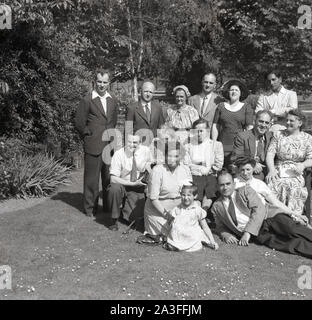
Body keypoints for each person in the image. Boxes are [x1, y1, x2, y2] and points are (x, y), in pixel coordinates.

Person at [213, 172, 312, 259]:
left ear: (234, 184)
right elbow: (219, 225)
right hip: (259, 234)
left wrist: (248, 232)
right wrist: (224, 234)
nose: (225, 187)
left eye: (228, 184)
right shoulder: (216, 206)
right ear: (217, 186)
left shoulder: (245, 190)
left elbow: (259, 210)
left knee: (293, 230)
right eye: (222, 185)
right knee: (289, 244)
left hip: (270, 218)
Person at [75, 69, 118, 217]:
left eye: (105, 82)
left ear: (109, 83)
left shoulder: (112, 99)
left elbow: (113, 120)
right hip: (93, 145)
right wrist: (89, 135)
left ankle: (107, 208)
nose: (102, 85)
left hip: (109, 146)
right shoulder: (87, 100)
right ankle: (90, 209)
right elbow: (79, 123)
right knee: (91, 180)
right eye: (99, 81)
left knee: (108, 179)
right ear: (95, 82)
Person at [266, 109, 312, 216]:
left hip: (296, 171)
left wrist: (303, 165)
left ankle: (294, 218)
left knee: (294, 188)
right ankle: (275, 218)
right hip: (278, 169)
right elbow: (270, 154)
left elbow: (311, 158)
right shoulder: (278, 135)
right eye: (287, 120)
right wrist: (271, 170)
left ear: (300, 123)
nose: (287, 123)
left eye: (291, 121)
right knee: (273, 185)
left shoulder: (307, 138)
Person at [144, 140, 192, 236]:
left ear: (181, 157)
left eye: (176, 156)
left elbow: (190, 193)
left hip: (179, 209)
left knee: (188, 230)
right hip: (158, 212)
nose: (172, 159)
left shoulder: (185, 170)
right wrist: (168, 216)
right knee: (175, 232)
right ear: (165, 156)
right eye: (169, 156)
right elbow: (153, 198)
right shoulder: (157, 171)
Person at [107, 134, 154, 231]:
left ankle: (124, 210)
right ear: (125, 142)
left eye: (135, 142)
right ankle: (113, 219)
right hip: (122, 185)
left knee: (135, 220)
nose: (132, 144)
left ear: (140, 143)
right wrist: (132, 184)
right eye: (129, 142)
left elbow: (151, 165)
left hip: (138, 187)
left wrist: (148, 168)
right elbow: (113, 179)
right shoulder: (119, 154)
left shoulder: (146, 151)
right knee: (114, 189)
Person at [234, 157, 300, 218]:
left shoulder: (259, 184)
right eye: (242, 170)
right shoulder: (234, 183)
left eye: (248, 169)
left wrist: (293, 213)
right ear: (238, 170)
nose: (245, 173)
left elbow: (275, 202)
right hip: (241, 215)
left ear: (253, 169)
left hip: (261, 215)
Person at [164, 183, 219, 252]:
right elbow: (170, 222)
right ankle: (175, 244)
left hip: (191, 233)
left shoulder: (197, 210)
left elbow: (205, 226)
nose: (186, 198)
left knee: (195, 237)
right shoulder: (177, 208)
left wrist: (212, 241)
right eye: (183, 195)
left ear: (195, 196)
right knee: (176, 229)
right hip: (180, 234)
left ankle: (187, 244)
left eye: (189, 195)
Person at [212, 79, 254, 167]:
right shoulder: (221, 106)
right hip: (222, 144)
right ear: (228, 92)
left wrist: (249, 147)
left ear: (240, 93)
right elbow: (215, 125)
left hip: (238, 145)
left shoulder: (246, 107)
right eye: (232, 90)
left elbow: (249, 128)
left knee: (236, 170)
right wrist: (214, 143)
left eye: (236, 90)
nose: (234, 92)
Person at [183, 118, 223, 210]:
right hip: (194, 175)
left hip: (211, 175)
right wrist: (201, 169)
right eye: (196, 131)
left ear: (208, 131)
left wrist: (206, 169)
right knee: (195, 192)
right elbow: (186, 164)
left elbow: (218, 165)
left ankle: (203, 212)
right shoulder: (188, 146)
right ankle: (197, 213)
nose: (199, 133)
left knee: (210, 190)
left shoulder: (216, 145)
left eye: (201, 131)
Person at [231, 110, 273, 180]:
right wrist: (253, 164)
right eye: (261, 121)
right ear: (254, 121)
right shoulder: (242, 136)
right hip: (246, 172)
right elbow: (237, 158)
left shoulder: (271, 137)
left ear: (269, 125)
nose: (263, 125)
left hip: (266, 172)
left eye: (266, 123)